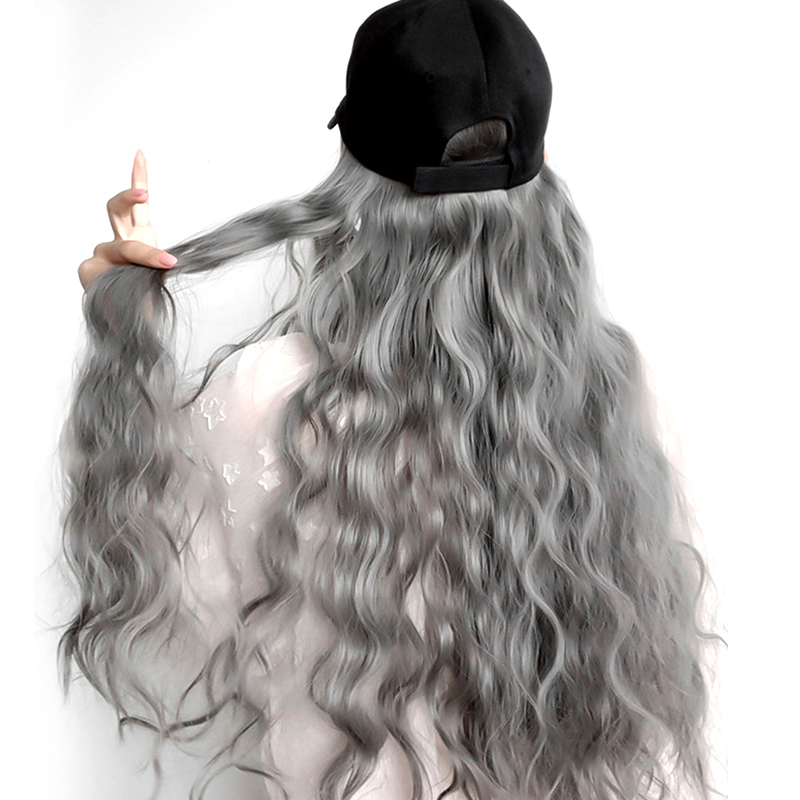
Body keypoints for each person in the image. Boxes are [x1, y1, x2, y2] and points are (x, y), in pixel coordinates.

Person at [60, 1, 721, 799]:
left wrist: (120, 332)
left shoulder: (268, 398)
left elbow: (200, 613)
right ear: (543, 174)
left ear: (352, 183)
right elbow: (658, 643)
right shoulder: (623, 389)